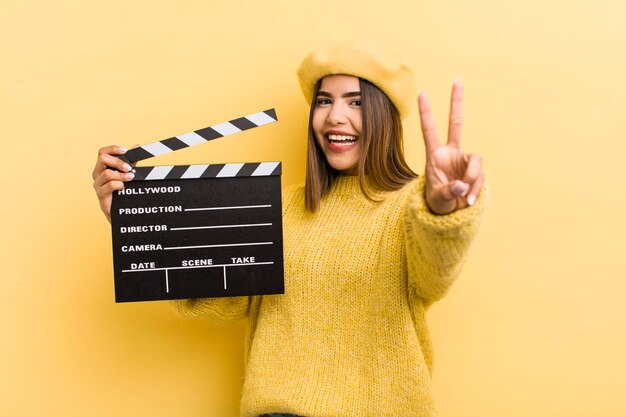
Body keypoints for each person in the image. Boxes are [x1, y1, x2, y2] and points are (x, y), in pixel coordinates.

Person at [92, 41, 487, 417]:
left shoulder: (411, 208)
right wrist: (133, 220)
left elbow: (435, 271)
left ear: (384, 115)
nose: (335, 116)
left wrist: (438, 209)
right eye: (324, 101)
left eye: (356, 102)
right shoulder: (278, 207)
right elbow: (222, 293)